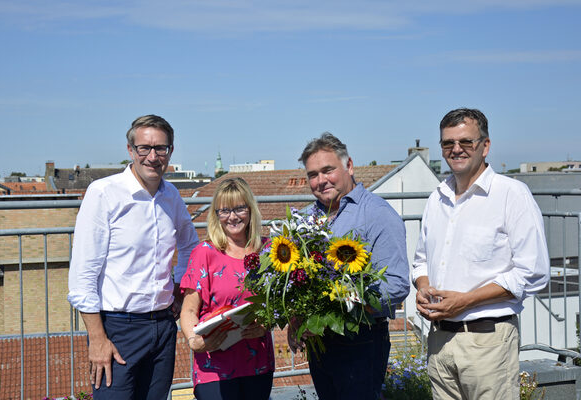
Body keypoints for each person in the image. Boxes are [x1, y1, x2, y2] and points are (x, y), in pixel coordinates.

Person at [412, 108, 550, 399]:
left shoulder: (512, 194)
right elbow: (421, 261)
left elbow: (533, 273)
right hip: (438, 341)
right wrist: (423, 288)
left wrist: (465, 301)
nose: (456, 149)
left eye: (466, 142)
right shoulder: (437, 198)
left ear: (485, 146)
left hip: (487, 343)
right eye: (448, 143)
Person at [67, 115, 199, 399]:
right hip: (117, 330)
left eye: (161, 148)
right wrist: (98, 339)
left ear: (170, 152)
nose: (153, 156)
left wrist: (180, 288)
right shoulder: (104, 193)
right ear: (130, 150)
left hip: (163, 327)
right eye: (144, 148)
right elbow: (83, 275)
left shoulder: (172, 195)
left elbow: (190, 244)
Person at [292, 132, 410, 400]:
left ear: (349, 166)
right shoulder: (305, 219)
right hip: (320, 342)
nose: (320, 181)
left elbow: (396, 284)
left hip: (361, 338)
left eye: (327, 170)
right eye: (312, 174)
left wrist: (343, 307)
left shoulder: (377, 214)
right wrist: (296, 315)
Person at [179, 177, 275, 400]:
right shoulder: (204, 252)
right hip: (214, 363)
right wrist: (194, 341)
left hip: (257, 361)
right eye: (224, 211)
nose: (232, 217)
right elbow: (189, 310)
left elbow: (278, 305)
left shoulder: (269, 250)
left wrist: (266, 324)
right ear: (216, 215)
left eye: (239, 208)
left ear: (250, 210)